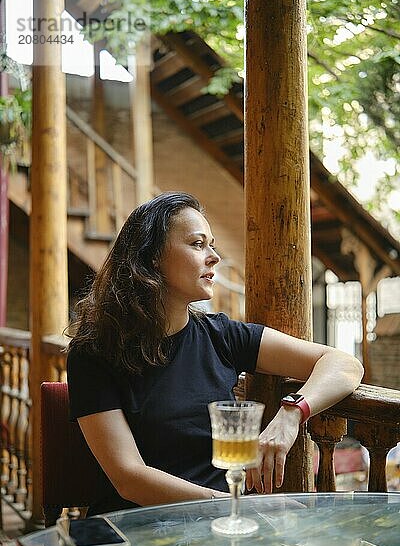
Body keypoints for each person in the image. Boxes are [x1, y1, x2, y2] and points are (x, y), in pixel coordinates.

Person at [67, 192, 363, 515]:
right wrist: (237, 507)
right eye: (197, 244)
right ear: (152, 258)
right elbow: (130, 478)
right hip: (133, 536)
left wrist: (291, 414)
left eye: (212, 244)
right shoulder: (94, 352)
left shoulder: (222, 336)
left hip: (217, 533)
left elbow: (345, 365)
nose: (214, 257)